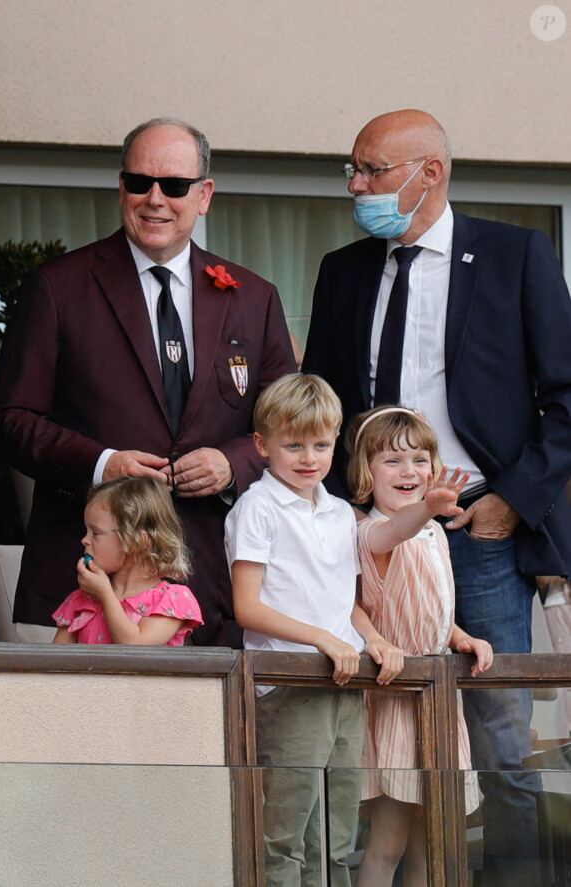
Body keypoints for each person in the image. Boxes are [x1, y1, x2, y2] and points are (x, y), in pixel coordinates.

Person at [302, 108, 571, 886]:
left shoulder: (517, 254)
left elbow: (565, 397)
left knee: (498, 740)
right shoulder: (343, 270)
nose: (357, 186)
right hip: (376, 540)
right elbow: (324, 402)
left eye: (373, 170)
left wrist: (511, 502)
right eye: (351, 169)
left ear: (431, 172)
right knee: (374, 729)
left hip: (479, 532)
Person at [0, 117, 295, 646]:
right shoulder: (59, 287)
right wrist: (103, 464)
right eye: (139, 183)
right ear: (120, 187)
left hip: (215, 587)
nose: (155, 199)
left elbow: (290, 425)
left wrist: (234, 461)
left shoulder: (253, 296)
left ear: (204, 196)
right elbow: (9, 421)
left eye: (174, 186)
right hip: (84, 591)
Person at [224, 373, 404, 887]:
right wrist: (321, 639)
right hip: (289, 683)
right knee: (286, 834)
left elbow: (343, 605)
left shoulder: (339, 513)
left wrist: (373, 638)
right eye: (293, 444)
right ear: (262, 445)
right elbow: (246, 607)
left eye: (321, 445)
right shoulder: (256, 508)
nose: (308, 457)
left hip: (344, 683)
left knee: (336, 830)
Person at [348, 406, 493, 887]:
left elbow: (435, 607)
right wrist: (427, 507)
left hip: (438, 698)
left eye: (418, 459)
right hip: (396, 698)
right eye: (391, 461)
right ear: (366, 474)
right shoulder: (372, 531)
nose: (408, 471)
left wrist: (462, 637)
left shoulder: (434, 533)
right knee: (388, 842)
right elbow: (397, 530)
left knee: (433, 842)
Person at [53, 476, 202, 645]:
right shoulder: (82, 600)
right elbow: (55, 662)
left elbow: (135, 647)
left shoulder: (172, 599)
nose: (84, 540)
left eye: (96, 533)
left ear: (138, 541)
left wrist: (105, 595)